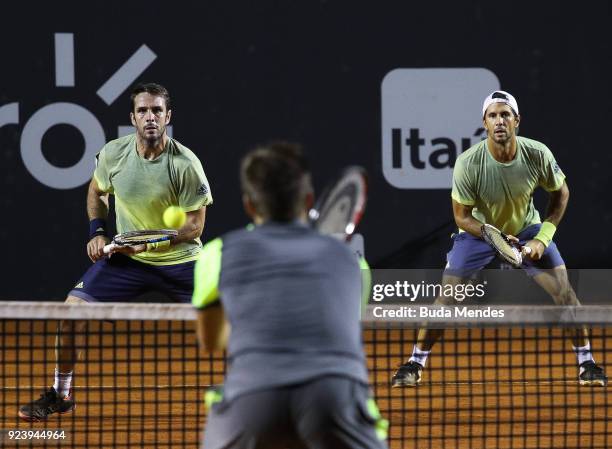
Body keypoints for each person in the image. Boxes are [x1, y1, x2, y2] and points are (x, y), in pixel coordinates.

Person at [19, 82, 213, 421]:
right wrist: (97, 232)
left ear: (168, 117)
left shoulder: (186, 164)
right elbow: (96, 190)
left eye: (156, 110)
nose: (150, 117)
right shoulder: (113, 154)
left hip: (182, 261)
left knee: (238, 321)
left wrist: (150, 242)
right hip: (128, 261)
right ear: (132, 118)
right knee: (70, 315)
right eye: (143, 110)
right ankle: (60, 396)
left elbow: (195, 228)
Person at [391, 90, 607, 388]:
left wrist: (541, 239)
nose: (499, 121)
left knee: (564, 291)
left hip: (528, 230)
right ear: (484, 123)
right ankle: (415, 362)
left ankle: (588, 364)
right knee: (447, 296)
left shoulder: (537, 154)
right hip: (479, 233)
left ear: (516, 120)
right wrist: (493, 238)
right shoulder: (468, 163)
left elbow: (561, 193)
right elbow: (462, 217)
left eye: (505, 114)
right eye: (493, 115)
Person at [192, 142, 387, 449]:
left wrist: (260, 319)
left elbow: (211, 340)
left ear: (249, 205)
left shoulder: (216, 254)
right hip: (335, 397)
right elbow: (337, 327)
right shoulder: (353, 262)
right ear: (308, 199)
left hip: (253, 399)